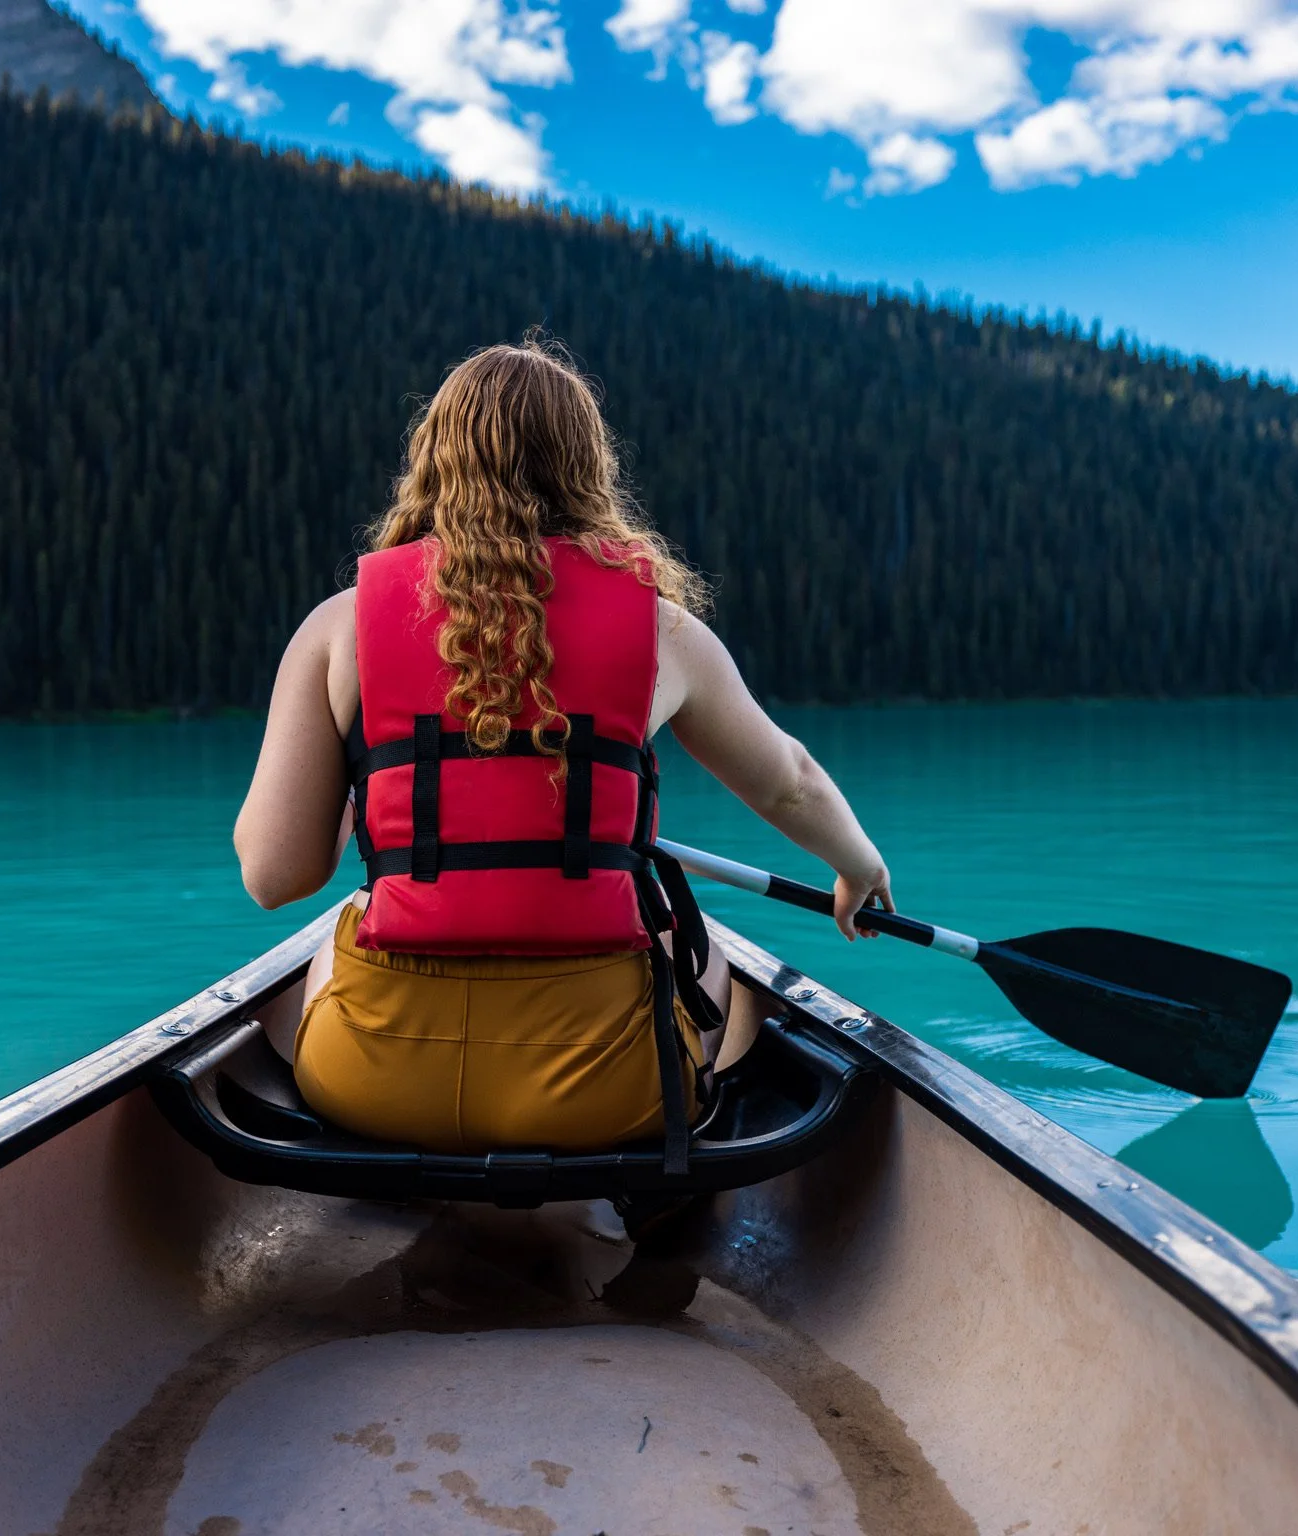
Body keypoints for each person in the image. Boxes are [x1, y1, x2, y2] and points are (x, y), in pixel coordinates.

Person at [233, 339, 891, 1168]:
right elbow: (788, 782)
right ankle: (663, 1228)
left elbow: (273, 878)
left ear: (433, 458)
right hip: (607, 1090)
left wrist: (361, 791)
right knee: (710, 955)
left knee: (336, 933)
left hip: (376, 1084)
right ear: (585, 467)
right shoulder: (659, 628)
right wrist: (855, 865)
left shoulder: (337, 627)